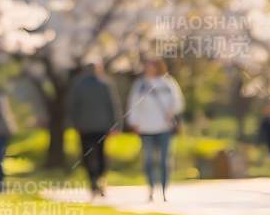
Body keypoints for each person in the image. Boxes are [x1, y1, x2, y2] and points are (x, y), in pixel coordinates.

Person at [126, 56, 183, 201]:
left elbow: (178, 102)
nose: (150, 68)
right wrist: (134, 122)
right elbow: (133, 105)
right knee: (149, 160)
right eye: (148, 65)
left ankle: (164, 189)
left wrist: (172, 111)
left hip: (164, 127)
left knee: (164, 160)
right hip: (146, 128)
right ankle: (151, 188)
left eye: (152, 65)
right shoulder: (140, 85)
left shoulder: (168, 83)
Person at [66, 62, 118, 197]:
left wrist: (74, 123)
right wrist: (115, 125)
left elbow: (72, 107)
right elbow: (113, 106)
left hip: (84, 127)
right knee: (101, 153)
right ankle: (100, 178)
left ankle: (93, 179)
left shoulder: (78, 85)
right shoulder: (106, 84)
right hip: (102, 126)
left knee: (87, 154)